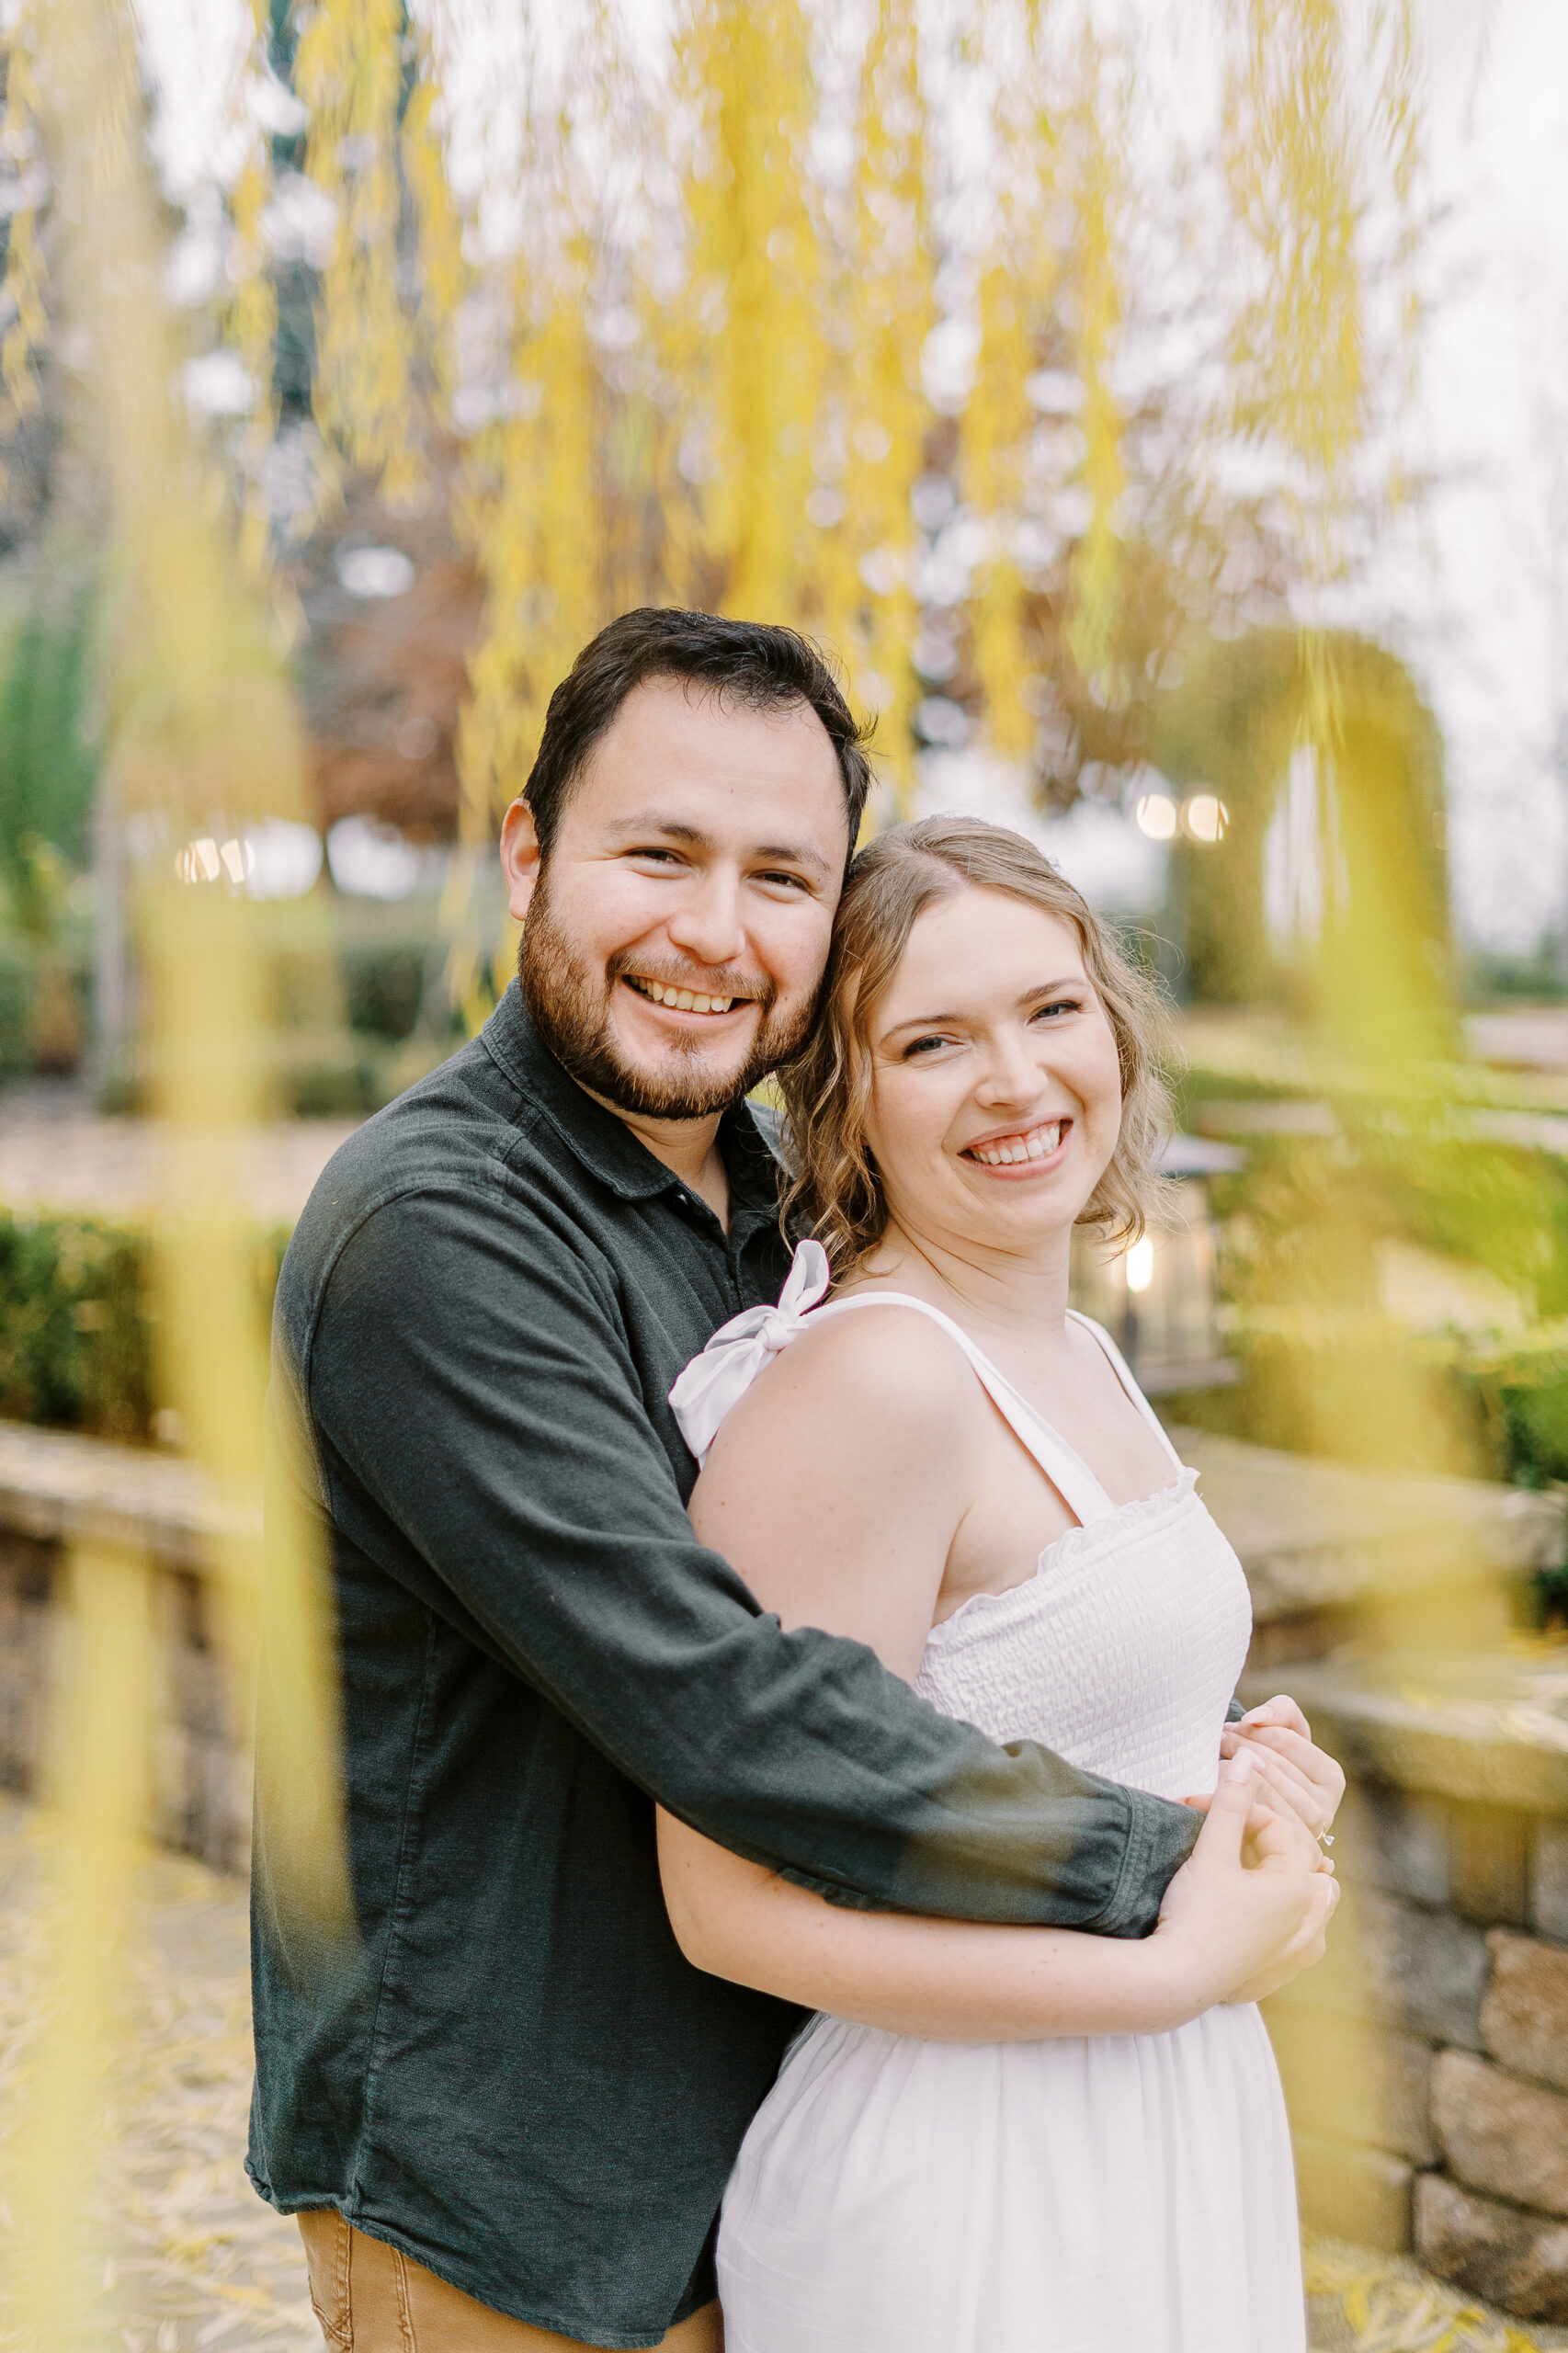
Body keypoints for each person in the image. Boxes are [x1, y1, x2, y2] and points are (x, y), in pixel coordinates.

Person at [250, 608, 1335, 2352]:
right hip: (513, 2184)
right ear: (529, 855)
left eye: (779, 875)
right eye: (656, 854)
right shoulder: (437, 1235)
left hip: (739, 2138)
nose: (713, 929)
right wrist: (1169, 1870)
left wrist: (1197, 1760)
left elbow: (938, 1611)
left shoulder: (764, 1202)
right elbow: (735, 1705)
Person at [659, 814, 1340, 2352]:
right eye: (932, 1041)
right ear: (850, 1103)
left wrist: (1234, 1774)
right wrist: (1167, 1976)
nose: (1019, 1082)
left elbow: (1025, 1727)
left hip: (1164, 2116)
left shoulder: (1075, 1342)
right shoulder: (873, 1382)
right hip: (963, 2188)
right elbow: (728, 1907)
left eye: (1049, 1009)